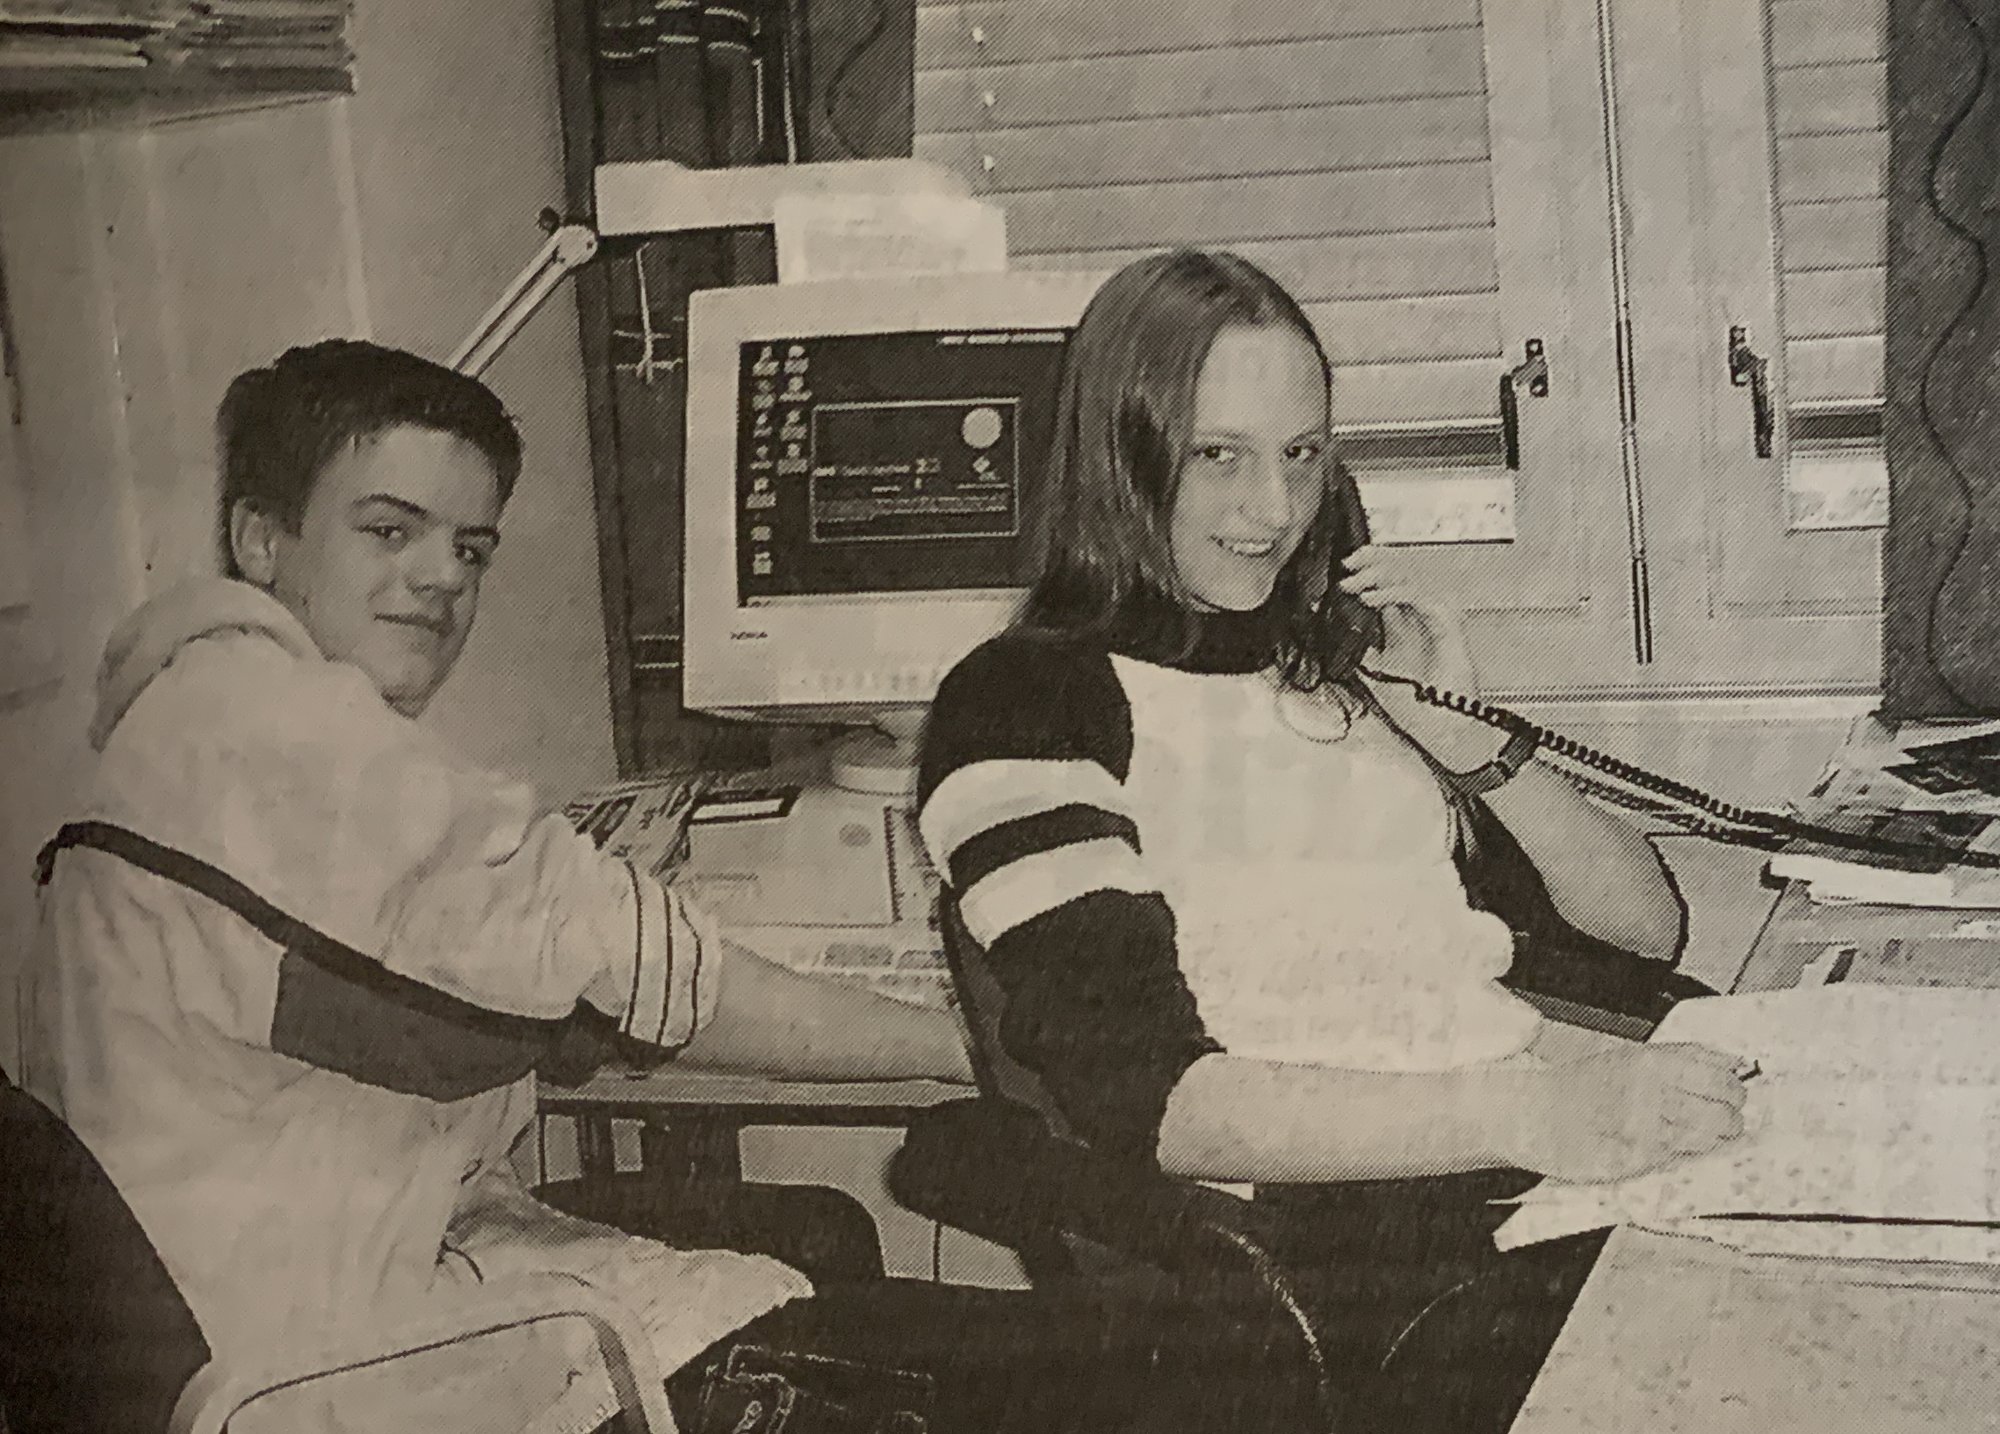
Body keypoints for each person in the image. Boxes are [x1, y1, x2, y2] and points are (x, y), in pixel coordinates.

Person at [20, 339, 1308, 1434]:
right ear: (261, 538)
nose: (442, 578)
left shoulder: (185, 719)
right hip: (348, 1378)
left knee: (814, 1237)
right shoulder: (276, 732)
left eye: (470, 547)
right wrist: (999, 1045)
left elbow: (475, 991)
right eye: (388, 530)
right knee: (1096, 1386)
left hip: (309, 1312)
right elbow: (634, 975)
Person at [916, 250, 1751, 1432]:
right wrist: (1526, 1116)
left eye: (1301, 454)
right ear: (1120, 456)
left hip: (1504, 1177)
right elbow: (1159, 1104)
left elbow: (1640, 932)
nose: (1273, 510)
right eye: (1218, 456)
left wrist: (1460, 734)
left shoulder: (1327, 668)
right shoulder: (1026, 701)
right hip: (1343, 1252)